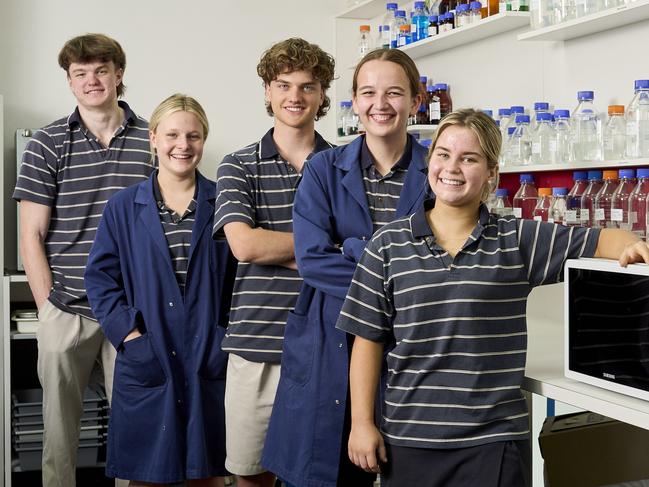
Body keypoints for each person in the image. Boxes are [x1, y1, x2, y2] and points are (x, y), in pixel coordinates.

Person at [336, 108, 649, 487]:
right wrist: (362, 424)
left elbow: (604, 239)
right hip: (410, 438)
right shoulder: (388, 245)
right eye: (443, 154)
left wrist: (635, 244)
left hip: (493, 442)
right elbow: (367, 340)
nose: (452, 167)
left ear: (490, 173)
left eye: (469, 158)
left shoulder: (518, 239)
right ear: (429, 161)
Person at [262, 48, 430, 487]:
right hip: (329, 339)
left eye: (394, 92)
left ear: (416, 101)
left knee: (409, 470)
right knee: (324, 472)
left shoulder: (438, 171)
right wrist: (392, 277)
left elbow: (442, 259)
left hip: (413, 343)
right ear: (353, 102)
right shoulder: (322, 169)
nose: (380, 104)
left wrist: (352, 247)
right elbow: (314, 260)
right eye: (368, 92)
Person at [12, 33, 152, 487]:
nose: (92, 80)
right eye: (80, 73)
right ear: (70, 82)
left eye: (101, 70)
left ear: (119, 74)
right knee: (58, 436)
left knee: (135, 430)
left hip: (132, 311)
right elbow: (30, 234)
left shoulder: (152, 140)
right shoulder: (48, 143)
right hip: (67, 307)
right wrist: (47, 304)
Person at [85, 94, 235, 486]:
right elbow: (101, 281)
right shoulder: (122, 207)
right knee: (148, 473)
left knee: (209, 472)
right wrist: (131, 339)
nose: (182, 145)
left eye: (193, 135)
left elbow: (245, 279)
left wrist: (227, 336)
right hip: (148, 352)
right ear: (153, 138)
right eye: (172, 134)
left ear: (204, 140)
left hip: (210, 354)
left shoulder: (226, 203)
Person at [213, 38, 335, 487]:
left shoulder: (345, 165)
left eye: (307, 86)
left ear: (323, 94)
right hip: (256, 341)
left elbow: (365, 250)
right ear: (267, 90)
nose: (295, 97)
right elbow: (244, 246)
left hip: (330, 342)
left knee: (320, 476)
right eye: (283, 85)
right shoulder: (238, 166)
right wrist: (322, 251)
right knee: (251, 476)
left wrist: (280, 248)